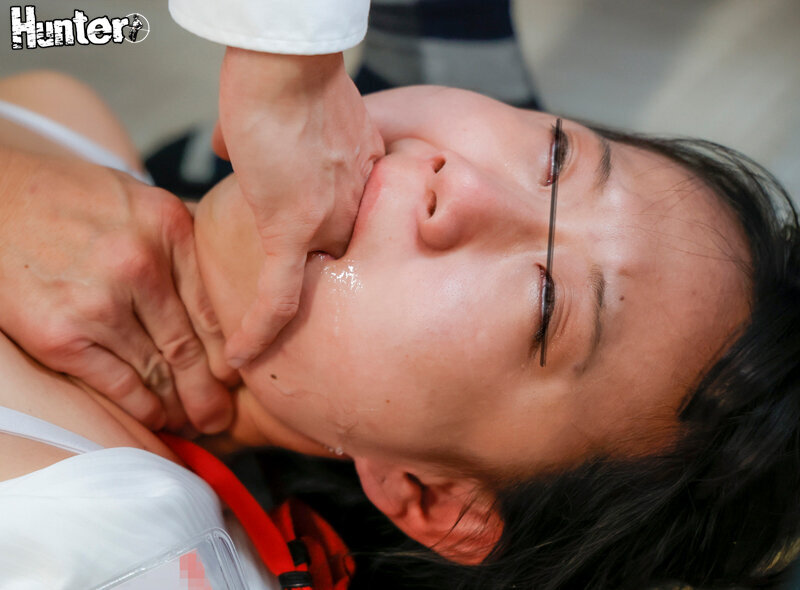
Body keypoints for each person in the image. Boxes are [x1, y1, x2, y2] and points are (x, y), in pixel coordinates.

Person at [0, 69, 798, 589]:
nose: (465, 189)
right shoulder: (59, 115)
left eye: (546, 305)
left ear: (439, 500)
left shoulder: (114, 551)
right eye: (557, 156)